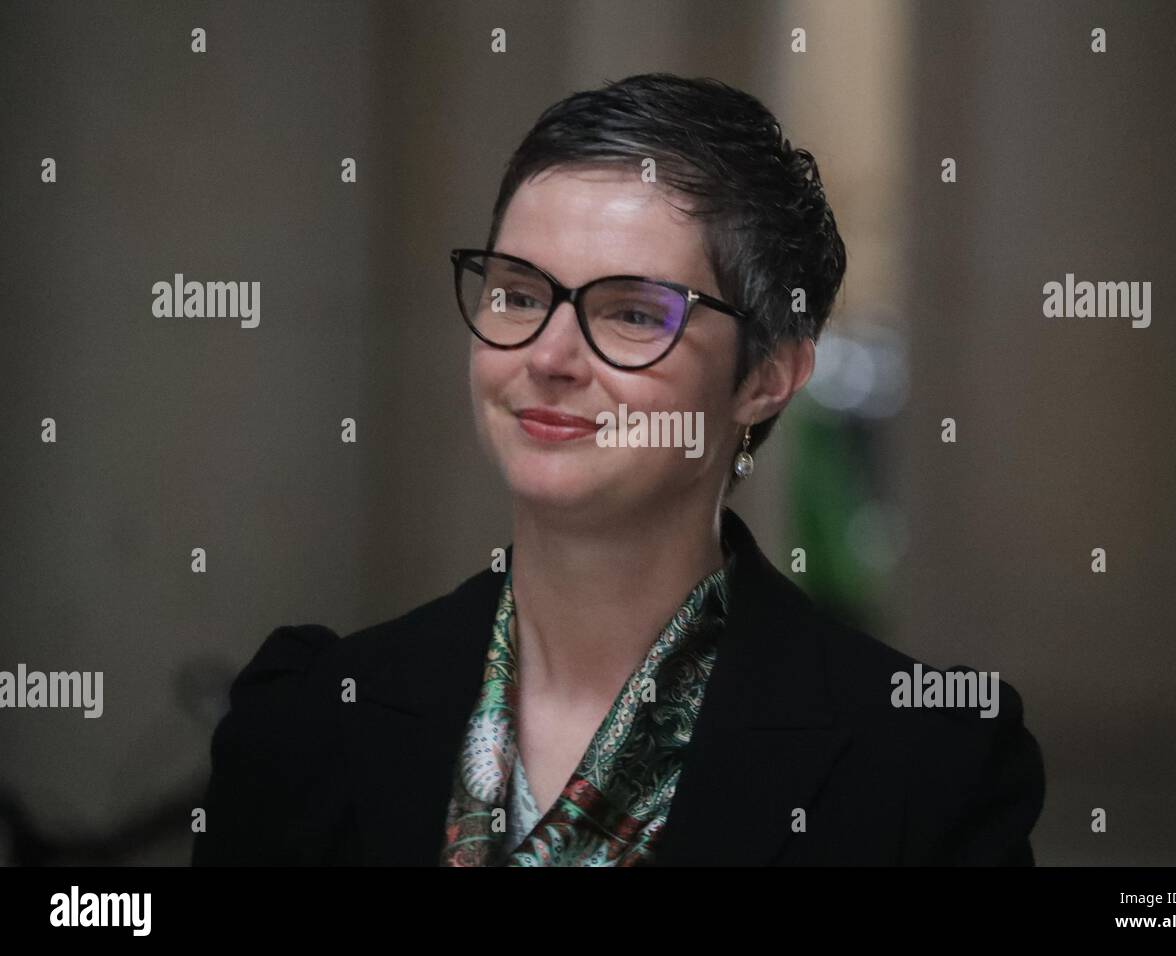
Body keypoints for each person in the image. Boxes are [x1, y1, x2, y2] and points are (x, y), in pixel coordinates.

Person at [192, 72, 1044, 867]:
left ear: (766, 374)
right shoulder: (307, 717)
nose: (550, 356)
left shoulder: (925, 761)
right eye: (519, 295)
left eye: (633, 313)